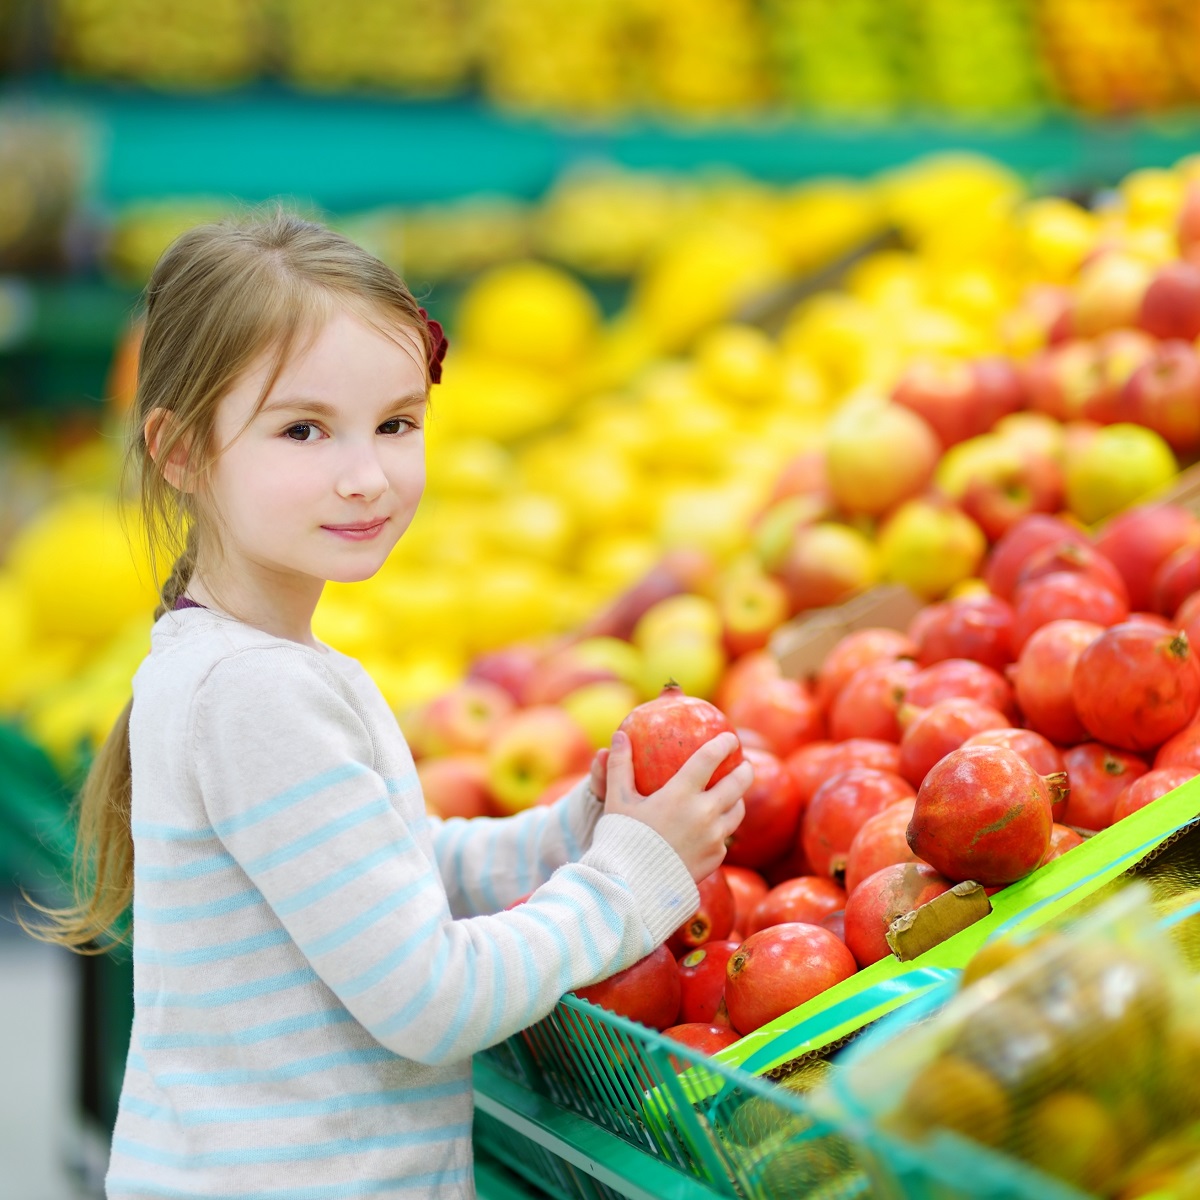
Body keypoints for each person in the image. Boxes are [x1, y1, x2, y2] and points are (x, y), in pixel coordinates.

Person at [29, 209, 751, 1199]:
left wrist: (570, 832)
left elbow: (386, 867)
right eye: (303, 429)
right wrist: (630, 880)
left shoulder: (252, 664)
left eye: (396, 424)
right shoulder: (257, 695)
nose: (366, 475)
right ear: (183, 451)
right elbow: (429, 999)